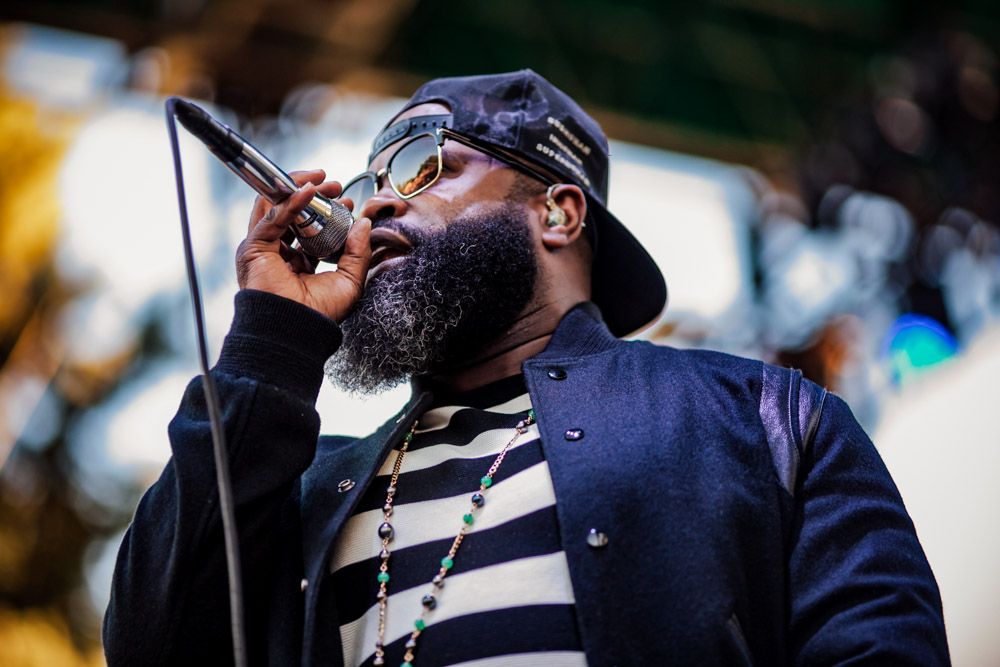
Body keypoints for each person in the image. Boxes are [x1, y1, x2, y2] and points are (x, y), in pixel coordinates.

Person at [103, 70, 949, 666]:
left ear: (557, 208)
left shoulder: (765, 420)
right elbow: (151, 644)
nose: (378, 202)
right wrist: (270, 343)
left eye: (423, 161)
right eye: (370, 179)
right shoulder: (306, 486)